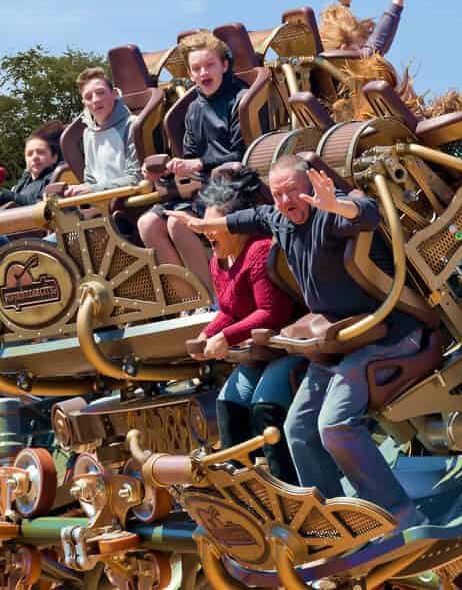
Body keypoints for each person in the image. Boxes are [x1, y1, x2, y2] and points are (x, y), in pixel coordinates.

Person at [170, 155, 427, 531]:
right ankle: (331, 524)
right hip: (336, 342)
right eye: (278, 194)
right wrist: (202, 224)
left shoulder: (328, 215)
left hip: (382, 334)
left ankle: (402, 516)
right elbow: (246, 219)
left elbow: (368, 214)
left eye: (293, 191)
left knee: (334, 426)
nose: (286, 201)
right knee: (297, 430)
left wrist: (336, 203)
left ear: (310, 188)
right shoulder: (277, 218)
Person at [187, 171, 304, 484]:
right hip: (260, 352)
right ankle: (242, 490)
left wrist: (225, 337)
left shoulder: (259, 250)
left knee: (265, 406)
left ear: (234, 227)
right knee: (229, 404)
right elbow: (228, 310)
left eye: (212, 227)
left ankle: (289, 489)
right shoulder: (218, 260)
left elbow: (271, 313)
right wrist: (207, 334)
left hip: (288, 345)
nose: (207, 234)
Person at [138, 32, 249, 294]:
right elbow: (189, 159)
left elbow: (241, 154)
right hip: (201, 188)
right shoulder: (193, 109)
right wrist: (163, 172)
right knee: (147, 223)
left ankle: (213, 299)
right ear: (190, 75)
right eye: (196, 68)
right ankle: (189, 300)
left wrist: (197, 164)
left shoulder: (240, 98)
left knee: (178, 223)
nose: (203, 73)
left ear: (224, 65)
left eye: (209, 65)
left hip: (234, 183)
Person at [64, 67, 142, 198]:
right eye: (89, 97)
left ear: (114, 94)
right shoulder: (88, 134)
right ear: (84, 103)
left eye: (101, 93)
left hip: (130, 199)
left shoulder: (132, 124)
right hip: (100, 202)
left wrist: (94, 190)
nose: (95, 100)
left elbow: (136, 178)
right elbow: (90, 180)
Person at [0, 123, 63, 207]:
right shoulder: (25, 182)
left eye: (40, 152)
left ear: (54, 157)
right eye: (29, 154)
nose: (34, 157)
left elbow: (41, 205)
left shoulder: (55, 178)